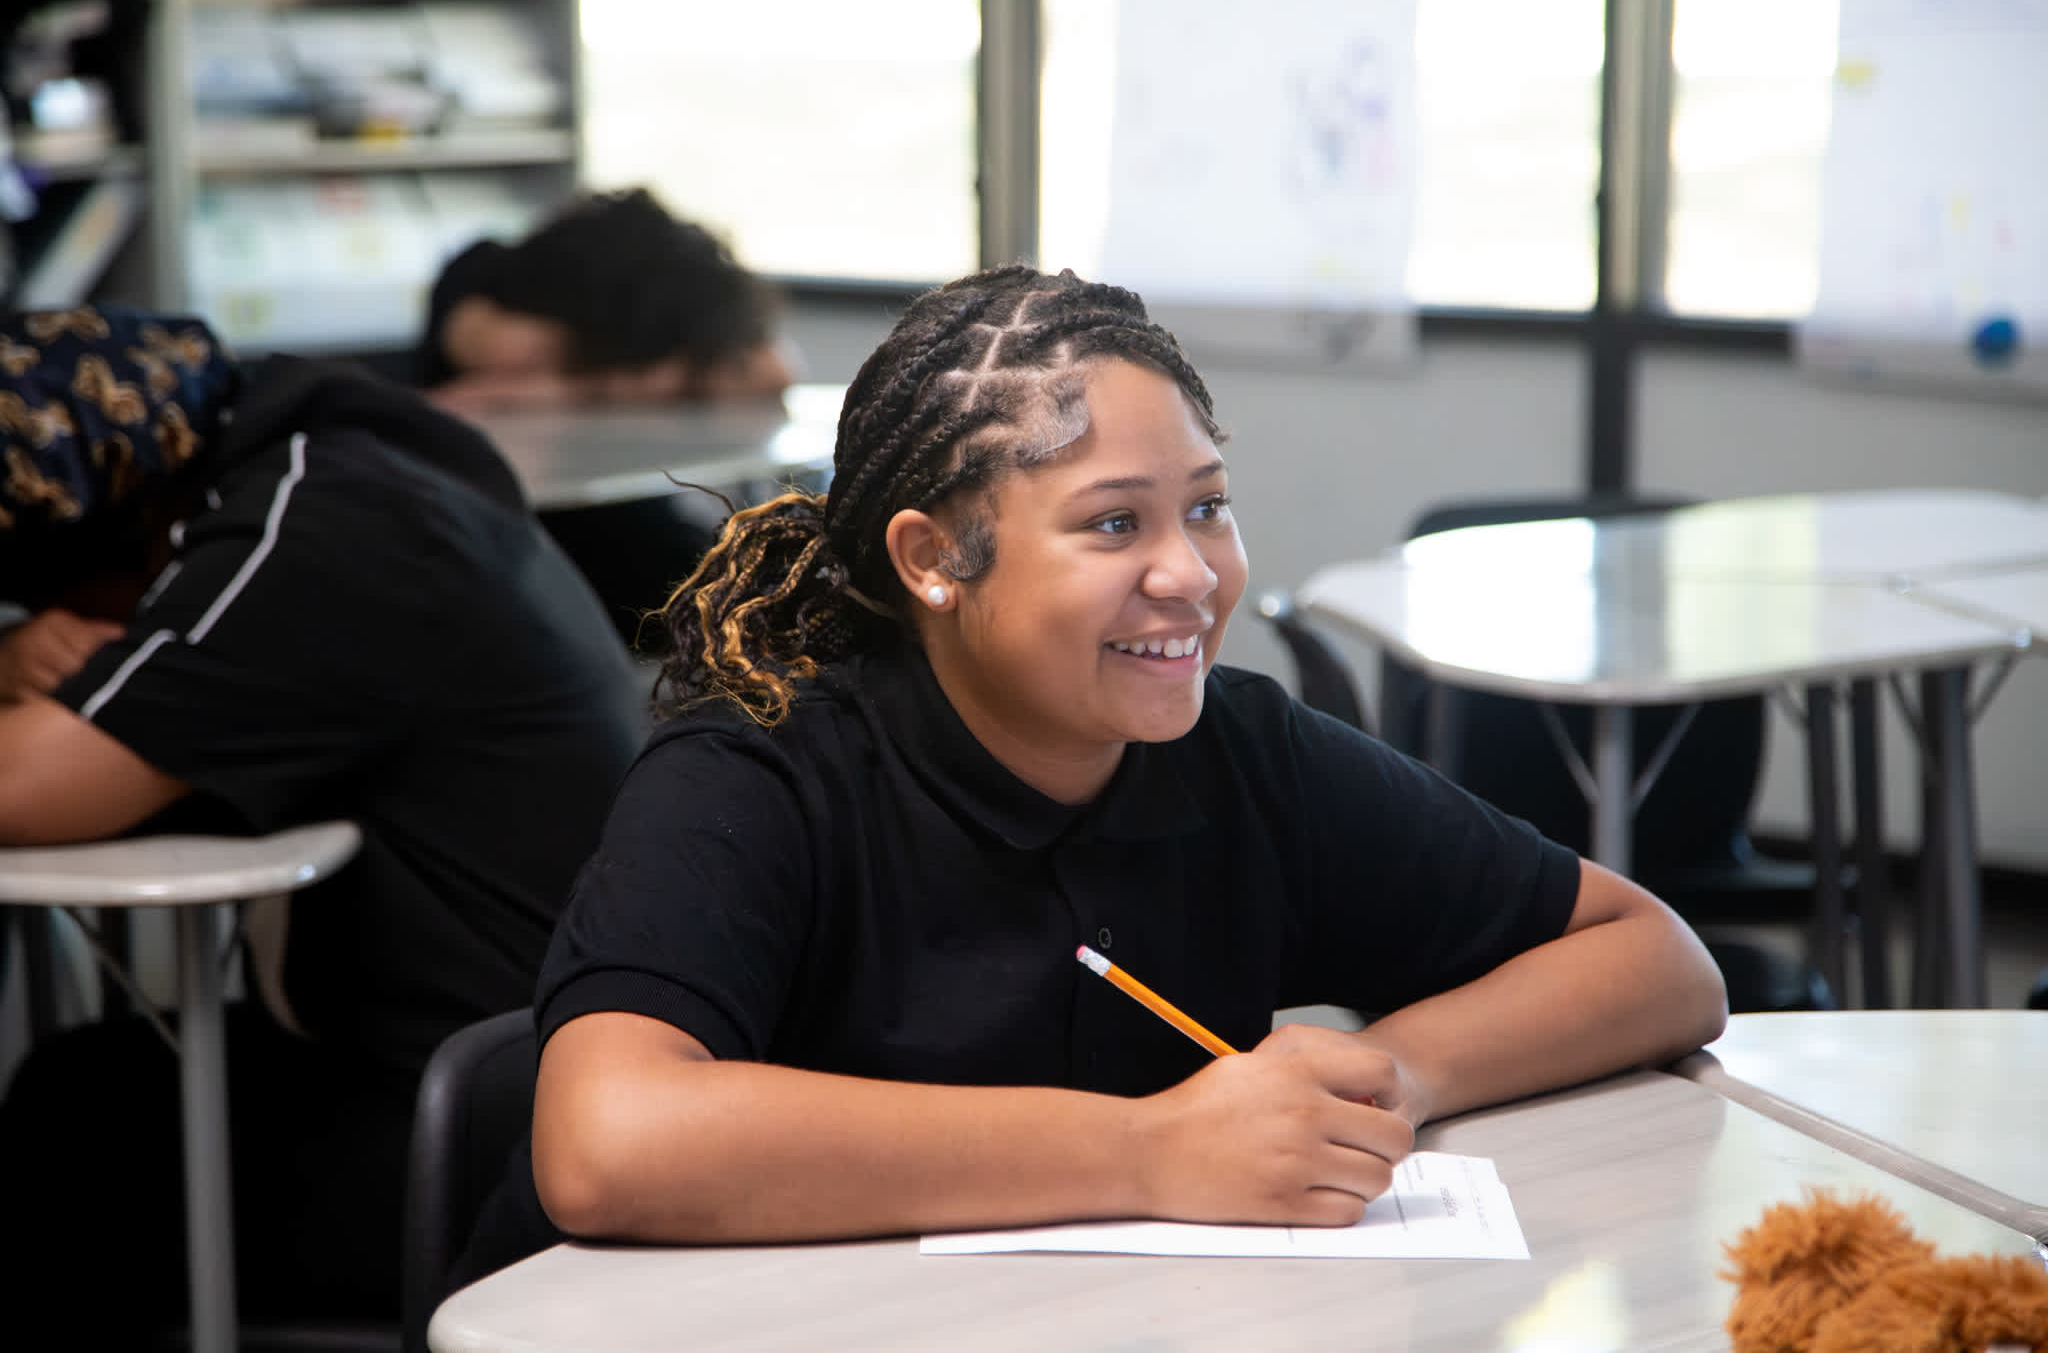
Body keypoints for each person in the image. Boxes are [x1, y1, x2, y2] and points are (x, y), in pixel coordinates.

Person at [454, 265, 1727, 1280]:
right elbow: (606, 1145)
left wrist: (1377, 1084)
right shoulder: (759, 768)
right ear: (931, 557)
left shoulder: (1237, 749)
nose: (1189, 574)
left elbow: (1652, 960)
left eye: (1208, 507)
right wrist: (1150, 1150)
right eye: (1115, 523)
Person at [0, 305, 648, 1340]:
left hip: (490, 1137)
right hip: (529, 1074)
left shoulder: (305, 534)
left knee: (71, 1138)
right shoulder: (347, 463)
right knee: (88, 1082)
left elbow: (25, 790)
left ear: (116, 510)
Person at [417, 186, 795, 411]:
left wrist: (586, 389)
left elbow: (774, 371)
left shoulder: (661, 299)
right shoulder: (501, 311)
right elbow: (470, 399)